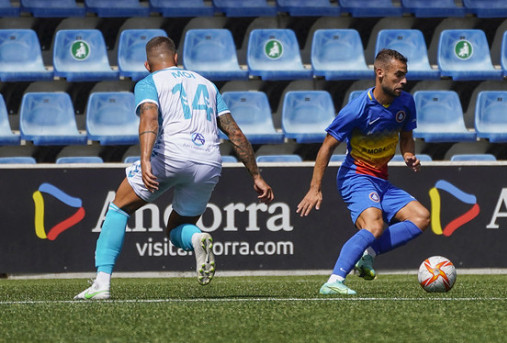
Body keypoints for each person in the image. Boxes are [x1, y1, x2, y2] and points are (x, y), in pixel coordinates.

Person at [74, 36, 274, 300]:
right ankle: (196, 239)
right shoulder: (208, 85)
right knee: (178, 226)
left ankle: (101, 283)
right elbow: (234, 133)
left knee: (118, 208)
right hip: (209, 161)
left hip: (170, 156)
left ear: (148, 64)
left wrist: (145, 159)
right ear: (176, 59)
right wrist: (256, 175)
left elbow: (150, 117)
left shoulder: (149, 82)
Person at [297, 49, 430, 295]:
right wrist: (315, 189)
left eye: (405, 75)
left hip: (381, 179)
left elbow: (407, 137)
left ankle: (368, 253)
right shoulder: (357, 109)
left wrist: (409, 155)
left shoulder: (406, 102)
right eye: (398, 75)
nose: (404, 81)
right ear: (380, 73)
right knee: (374, 225)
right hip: (355, 176)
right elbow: (327, 146)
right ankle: (334, 281)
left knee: (421, 217)